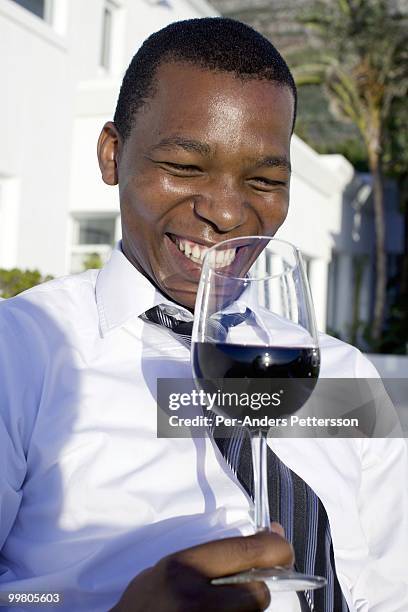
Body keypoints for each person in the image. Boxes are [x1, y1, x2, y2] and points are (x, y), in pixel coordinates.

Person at [0, 17, 407, 612]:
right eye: (185, 169)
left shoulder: (342, 374)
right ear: (112, 155)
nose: (225, 212)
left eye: (265, 179)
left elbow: (389, 590)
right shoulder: (24, 353)